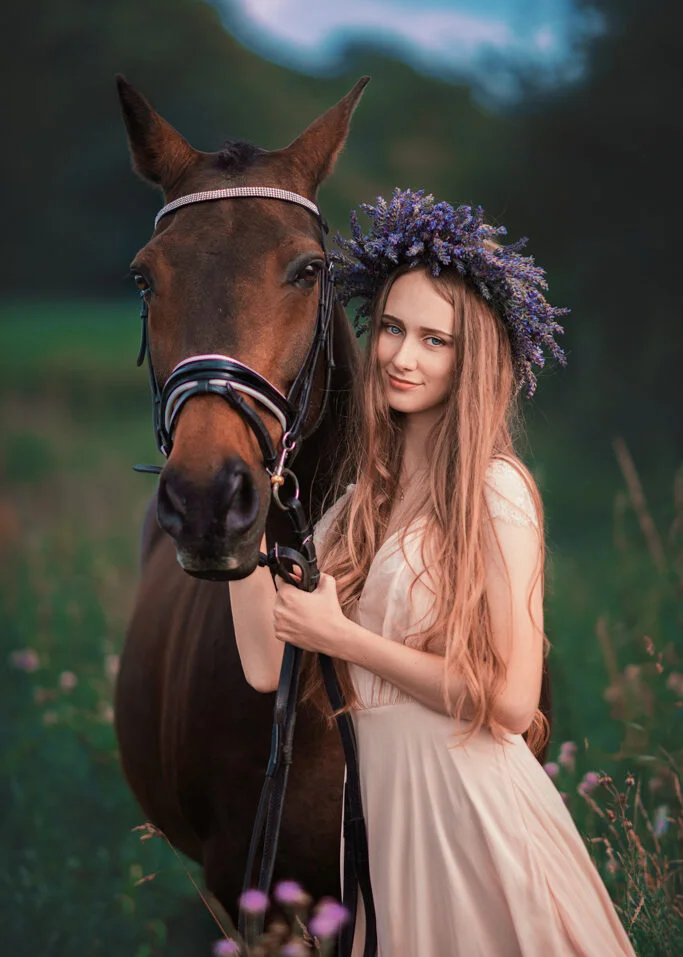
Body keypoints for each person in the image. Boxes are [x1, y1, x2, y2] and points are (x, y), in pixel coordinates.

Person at [229, 190, 635, 956]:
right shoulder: (359, 502)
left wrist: (341, 638)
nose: (399, 355)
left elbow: (511, 702)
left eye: (432, 339)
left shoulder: (494, 488)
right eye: (388, 327)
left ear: (470, 356)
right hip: (386, 826)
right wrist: (238, 503)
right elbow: (262, 661)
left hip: (471, 813)